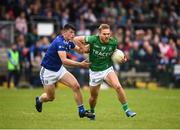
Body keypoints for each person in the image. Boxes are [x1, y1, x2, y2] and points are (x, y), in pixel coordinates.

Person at [74, 24, 136, 120]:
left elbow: (115, 53)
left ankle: (127, 110)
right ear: (99, 34)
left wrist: (122, 59)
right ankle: (92, 111)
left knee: (118, 86)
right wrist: (84, 48)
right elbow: (76, 39)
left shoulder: (113, 42)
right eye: (104, 34)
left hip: (107, 69)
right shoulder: (93, 39)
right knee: (93, 97)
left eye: (108, 34)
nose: (107, 36)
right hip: (94, 72)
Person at [35, 24, 95, 119]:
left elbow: (81, 50)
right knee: (50, 97)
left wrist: (94, 44)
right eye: (71, 32)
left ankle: (81, 111)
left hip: (59, 69)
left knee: (76, 86)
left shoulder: (68, 42)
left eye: (74, 33)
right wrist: (81, 64)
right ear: (64, 32)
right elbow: (65, 60)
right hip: (48, 72)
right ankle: (39, 99)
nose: (73, 35)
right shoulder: (59, 42)